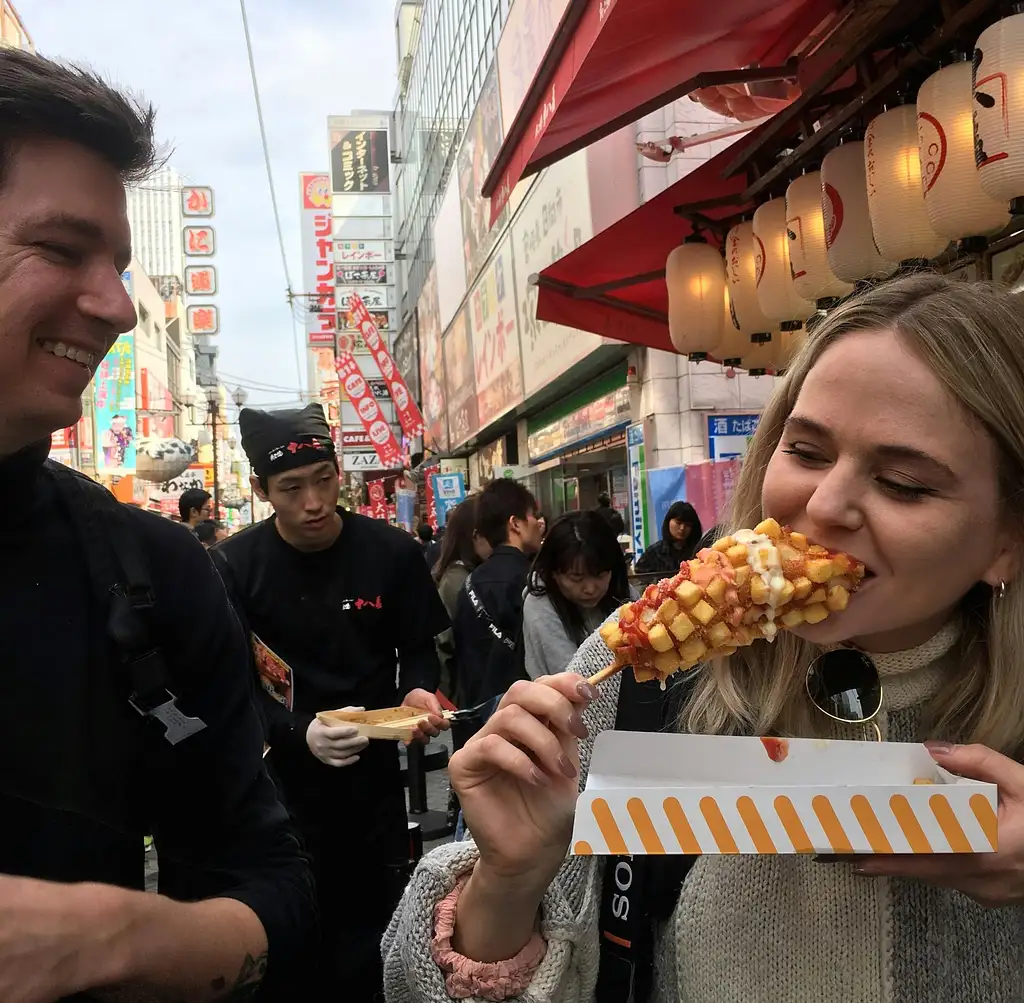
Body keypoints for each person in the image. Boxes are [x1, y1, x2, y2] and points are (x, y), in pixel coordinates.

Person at [382, 275, 1024, 1002]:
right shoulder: (634, 679)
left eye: (904, 481)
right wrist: (508, 878)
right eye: (807, 452)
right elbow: (415, 982)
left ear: (1008, 538)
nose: (824, 503)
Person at [0, 47, 314, 1001]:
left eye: (122, 265)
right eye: (61, 249)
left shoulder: (151, 570)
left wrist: (113, 939)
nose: (118, 307)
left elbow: (274, 887)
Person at [212, 402, 451, 1000]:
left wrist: (416, 692)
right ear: (261, 489)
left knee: (375, 933)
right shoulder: (235, 566)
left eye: (324, 480)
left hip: (373, 778)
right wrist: (296, 731)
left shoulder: (391, 553)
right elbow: (233, 683)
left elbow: (419, 651)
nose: (313, 502)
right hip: (280, 782)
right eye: (292, 488)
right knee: (293, 931)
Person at [451, 478, 544, 710]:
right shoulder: (532, 582)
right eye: (533, 515)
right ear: (516, 524)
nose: (539, 523)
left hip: (476, 716)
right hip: (521, 715)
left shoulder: (469, 582)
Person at [523, 511, 631, 679]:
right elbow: (574, 681)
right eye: (576, 578)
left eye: (600, 575)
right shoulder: (540, 605)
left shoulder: (623, 591)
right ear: (553, 572)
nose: (590, 588)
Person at [432, 496, 488, 705]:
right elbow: (444, 644)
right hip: (471, 696)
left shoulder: (463, 575)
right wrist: (447, 701)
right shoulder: (457, 580)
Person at [634, 499, 703, 575]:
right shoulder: (654, 552)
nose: (682, 528)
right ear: (668, 521)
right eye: (678, 522)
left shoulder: (699, 552)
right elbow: (639, 580)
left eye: (688, 525)